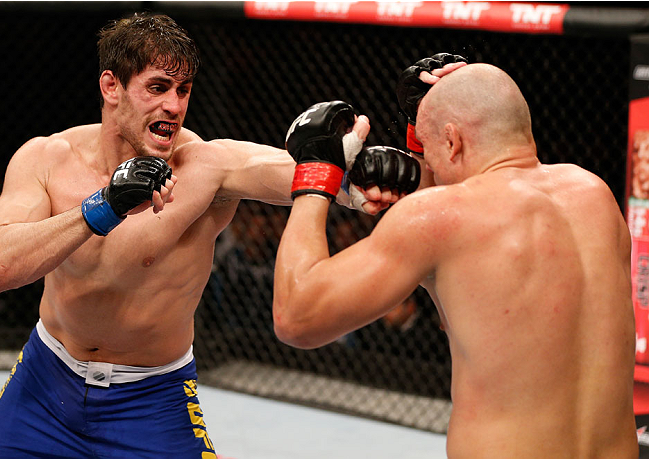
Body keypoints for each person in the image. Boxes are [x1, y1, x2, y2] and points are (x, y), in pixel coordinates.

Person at [0, 12, 419, 458]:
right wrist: (102, 207)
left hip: (151, 400)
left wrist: (356, 174)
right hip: (45, 383)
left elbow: (305, 173)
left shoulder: (208, 167)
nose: (174, 106)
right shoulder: (47, 158)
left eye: (183, 90)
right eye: (158, 87)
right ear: (111, 87)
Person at [272, 57, 638, 457]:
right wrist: (422, 131)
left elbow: (297, 318)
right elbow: (467, 306)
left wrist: (315, 175)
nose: (425, 166)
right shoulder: (595, 196)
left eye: (427, 149)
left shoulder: (441, 218)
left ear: (452, 141)